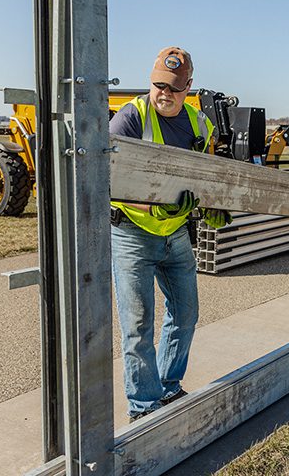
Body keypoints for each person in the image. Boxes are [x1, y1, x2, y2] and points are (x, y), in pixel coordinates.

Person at [109, 46, 231, 421]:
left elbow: (206, 171)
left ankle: (168, 387)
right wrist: (154, 206)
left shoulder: (199, 123)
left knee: (185, 313)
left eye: (174, 88)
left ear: (188, 87)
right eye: (159, 85)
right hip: (132, 234)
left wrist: (212, 200)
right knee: (138, 325)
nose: (164, 93)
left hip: (176, 233)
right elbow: (104, 181)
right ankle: (144, 408)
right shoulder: (129, 120)